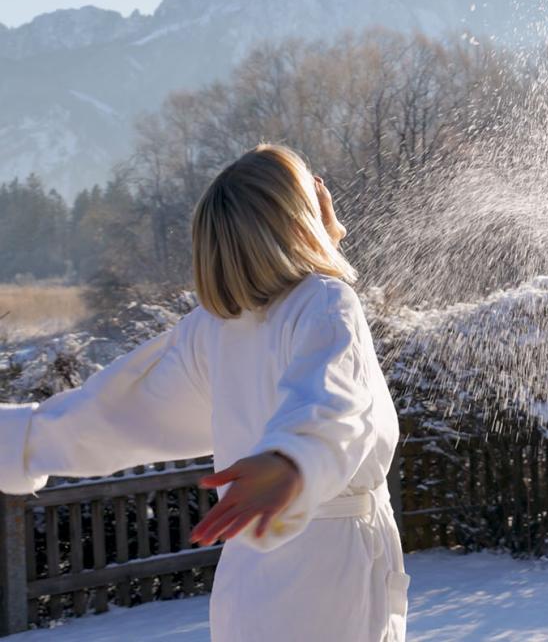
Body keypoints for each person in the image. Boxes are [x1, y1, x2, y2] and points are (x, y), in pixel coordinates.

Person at [0, 145, 409, 642]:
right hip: (329, 578)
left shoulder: (214, 330)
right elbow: (333, 395)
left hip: (249, 582)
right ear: (301, 222)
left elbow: (116, 413)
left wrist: (21, 439)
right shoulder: (326, 302)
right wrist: (292, 459)